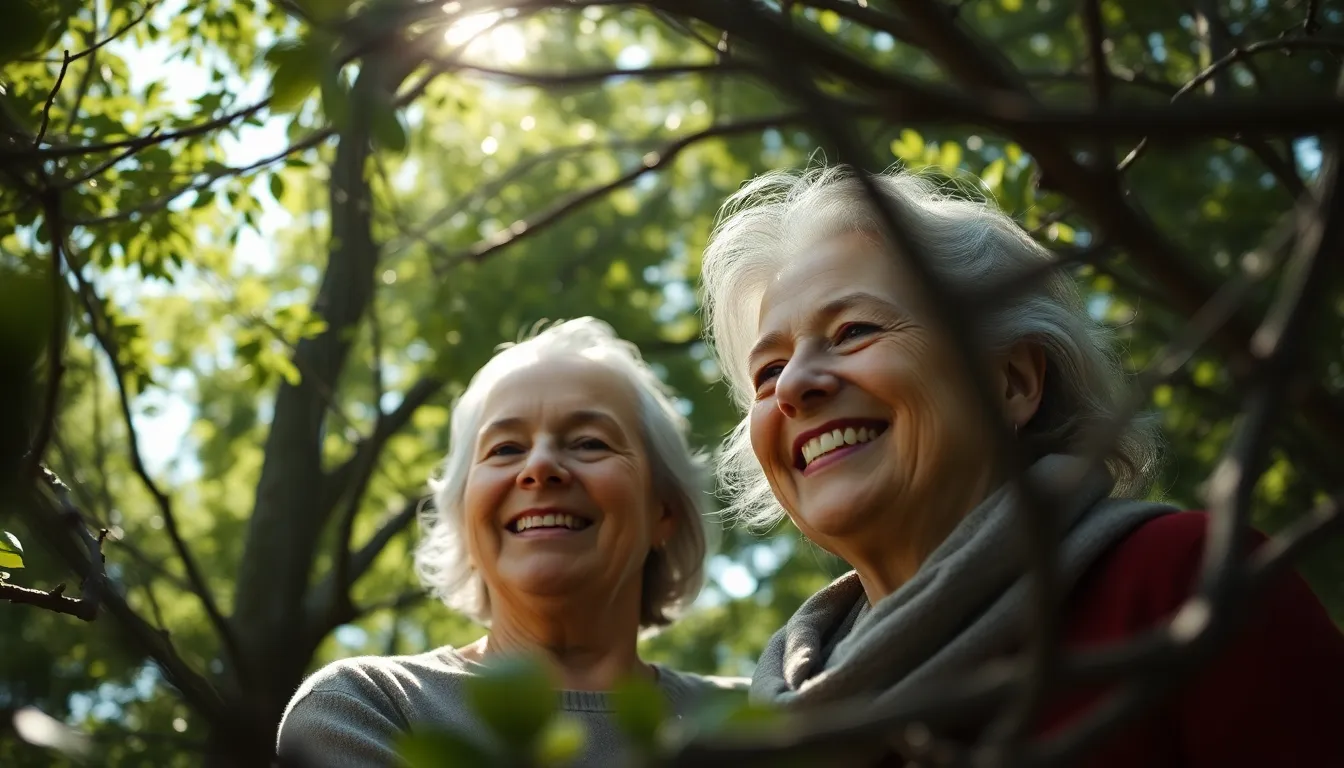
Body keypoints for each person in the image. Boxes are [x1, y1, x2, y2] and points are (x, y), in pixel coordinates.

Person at [698, 165, 1344, 766]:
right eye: (769, 371)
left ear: (1013, 381)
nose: (793, 386)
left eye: (854, 331)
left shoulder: (1187, 581)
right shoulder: (778, 725)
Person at [277, 318, 743, 767]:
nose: (539, 467)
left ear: (663, 511)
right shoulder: (368, 708)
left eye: (589, 442)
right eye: (505, 449)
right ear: (463, 516)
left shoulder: (753, 719)